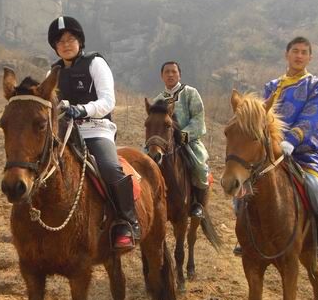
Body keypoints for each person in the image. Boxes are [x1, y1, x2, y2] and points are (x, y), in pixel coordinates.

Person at [234, 36, 318, 261]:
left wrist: (292, 140)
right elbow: (261, 116)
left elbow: (312, 115)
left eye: (304, 52)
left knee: (315, 186)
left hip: (304, 152)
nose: (299, 56)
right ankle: (245, 236)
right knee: (242, 187)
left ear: (310, 57)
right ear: (287, 55)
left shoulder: (316, 86)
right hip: (273, 152)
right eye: (295, 51)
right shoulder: (272, 86)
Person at [47, 16, 140, 249]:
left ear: (80, 42)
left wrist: (82, 109)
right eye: (60, 41)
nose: (66, 44)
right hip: (64, 132)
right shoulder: (53, 72)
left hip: (95, 129)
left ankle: (127, 221)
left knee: (109, 168)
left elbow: (108, 101)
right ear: (55, 47)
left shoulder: (95, 63)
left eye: (71, 39)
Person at [151, 61, 210, 218]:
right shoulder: (158, 99)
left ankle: (198, 204)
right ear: (161, 76)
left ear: (179, 74)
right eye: (167, 72)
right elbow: (154, 124)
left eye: (173, 72)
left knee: (199, 167)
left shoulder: (191, 93)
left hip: (189, 141)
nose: (170, 74)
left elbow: (198, 119)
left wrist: (182, 136)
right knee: (144, 164)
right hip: (162, 143)